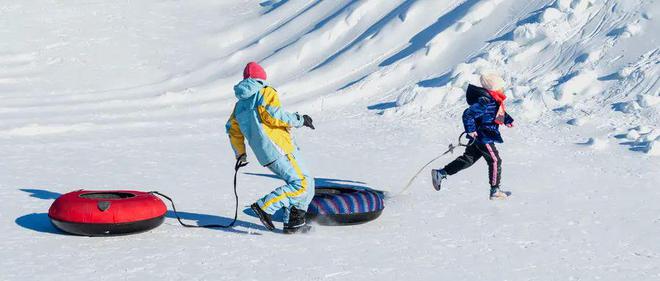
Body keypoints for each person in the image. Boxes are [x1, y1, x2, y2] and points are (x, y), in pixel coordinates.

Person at [226, 62, 316, 233]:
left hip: (266, 153)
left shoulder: (239, 105)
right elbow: (273, 115)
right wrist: (300, 119)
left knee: (307, 182)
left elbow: (232, 129)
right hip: (278, 147)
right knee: (301, 184)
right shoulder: (265, 91)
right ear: (262, 77)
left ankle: (294, 223)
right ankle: (265, 206)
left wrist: (240, 154)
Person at [431, 73, 514, 200]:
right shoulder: (485, 100)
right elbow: (468, 115)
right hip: (483, 136)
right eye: (500, 87)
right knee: (495, 160)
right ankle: (495, 191)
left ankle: (441, 173)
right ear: (494, 88)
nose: (503, 89)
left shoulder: (494, 100)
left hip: (481, 136)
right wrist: (470, 130)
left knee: (468, 159)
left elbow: (496, 113)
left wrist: (507, 120)